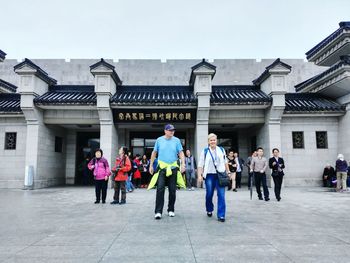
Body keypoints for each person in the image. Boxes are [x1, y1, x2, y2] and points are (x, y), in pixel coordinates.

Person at [148, 124, 186, 220]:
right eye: (170, 130)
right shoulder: (159, 140)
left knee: (172, 190)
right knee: (160, 189)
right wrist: (151, 165)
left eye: (173, 130)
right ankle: (158, 211)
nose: (172, 132)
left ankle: (171, 209)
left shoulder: (177, 140)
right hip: (162, 168)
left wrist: (183, 164)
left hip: (173, 168)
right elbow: (154, 152)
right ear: (165, 131)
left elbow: (181, 153)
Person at [198, 133, 230, 222]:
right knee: (209, 194)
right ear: (208, 142)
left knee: (221, 195)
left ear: (216, 141)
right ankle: (209, 209)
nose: (213, 141)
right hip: (209, 175)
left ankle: (221, 215)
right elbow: (200, 165)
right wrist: (199, 176)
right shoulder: (205, 151)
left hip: (220, 175)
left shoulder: (221, 150)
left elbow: (225, 161)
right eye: (211, 140)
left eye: (214, 140)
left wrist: (228, 171)